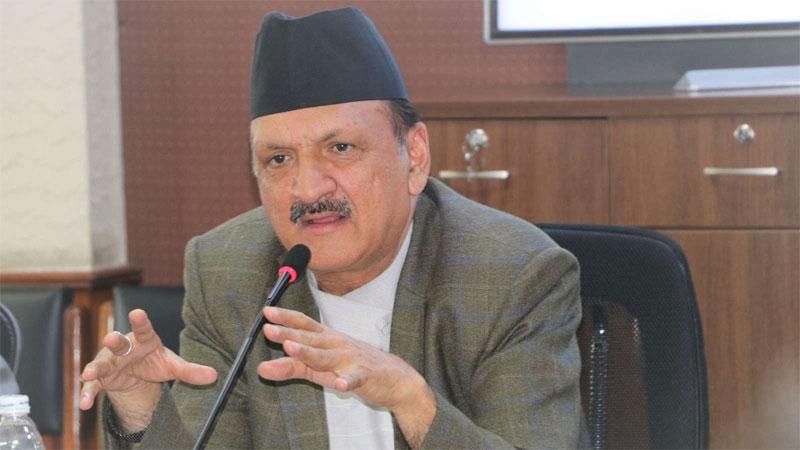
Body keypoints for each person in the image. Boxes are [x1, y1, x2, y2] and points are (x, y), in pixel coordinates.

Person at [80, 7, 583, 449]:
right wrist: (142, 407)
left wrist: (411, 399)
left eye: (340, 148)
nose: (307, 188)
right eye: (279, 159)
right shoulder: (226, 271)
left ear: (414, 157)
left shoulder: (512, 274)